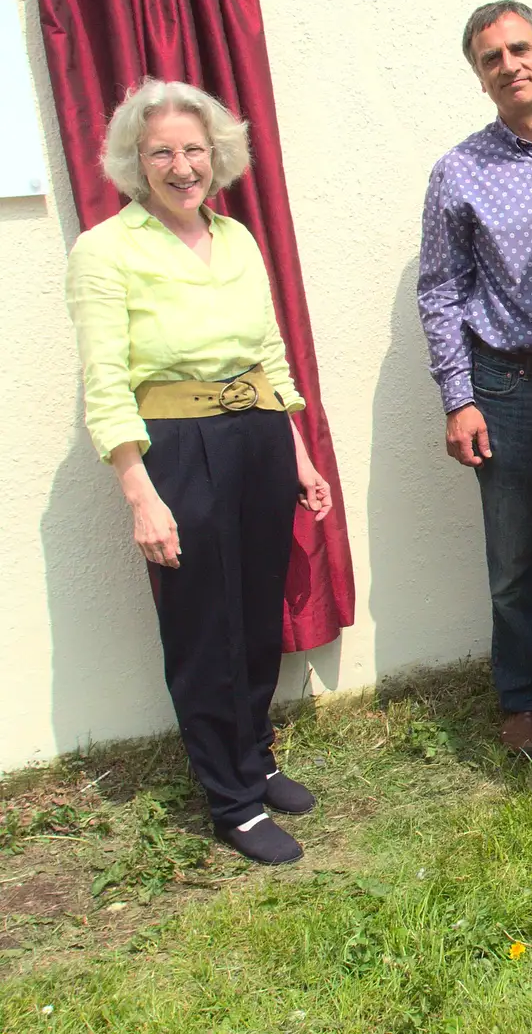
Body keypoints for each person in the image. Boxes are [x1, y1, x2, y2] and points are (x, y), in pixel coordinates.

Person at [65, 79, 333, 865]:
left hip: (257, 439)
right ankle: (232, 800)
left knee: (252, 615)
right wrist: (140, 493)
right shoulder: (105, 250)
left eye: (194, 150)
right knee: (202, 626)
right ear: (133, 162)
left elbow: (271, 355)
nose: (182, 166)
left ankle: (255, 755)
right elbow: (106, 384)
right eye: (162, 153)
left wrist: (300, 453)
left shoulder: (240, 237)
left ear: (216, 155)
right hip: (177, 447)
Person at [419, 1, 532, 758]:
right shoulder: (458, 171)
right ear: (480, 76)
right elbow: (438, 289)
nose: (510, 64)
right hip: (505, 384)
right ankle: (525, 694)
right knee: (512, 559)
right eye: (491, 57)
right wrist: (458, 397)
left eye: (520, 48)